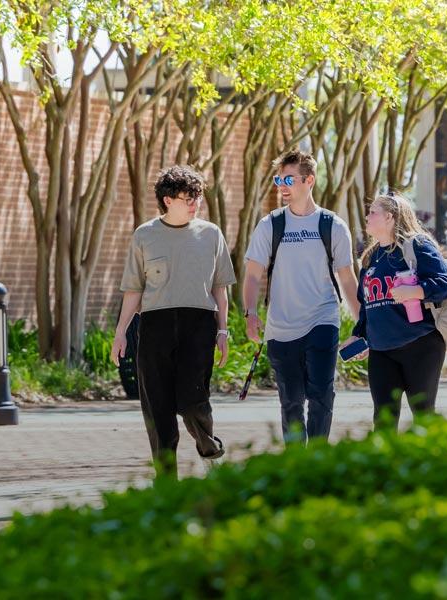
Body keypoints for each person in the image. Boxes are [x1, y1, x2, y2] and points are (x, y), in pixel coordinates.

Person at [111, 165, 235, 477]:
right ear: (168, 200)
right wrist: (121, 332)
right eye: (188, 197)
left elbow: (220, 289)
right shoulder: (145, 235)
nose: (196, 203)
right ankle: (166, 482)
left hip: (199, 326)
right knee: (158, 409)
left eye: (198, 196)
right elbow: (133, 290)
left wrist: (223, 330)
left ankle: (207, 441)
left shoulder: (211, 235)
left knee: (193, 400)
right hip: (155, 327)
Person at [241, 150, 359, 444]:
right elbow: (253, 274)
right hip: (281, 327)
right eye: (278, 178)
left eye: (288, 179)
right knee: (291, 401)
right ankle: (296, 461)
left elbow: (347, 278)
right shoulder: (270, 225)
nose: (281, 185)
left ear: (309, 180)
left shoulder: (332, 225)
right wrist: (250, 313)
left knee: (321, 394)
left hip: (322, 319)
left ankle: (317, 459)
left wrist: (363, 326)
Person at [343, 192, 447, 432]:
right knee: (383, 419)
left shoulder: (416, 245)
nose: (367, 216)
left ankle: (428, 466)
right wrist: (358, 334)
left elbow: (446, 283)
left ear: (390, 217)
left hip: (421, 345)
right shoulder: (370, 258)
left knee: (423, 414)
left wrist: (416, 291)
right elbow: (367, 307)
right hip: (381, 350)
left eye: (373, 212)